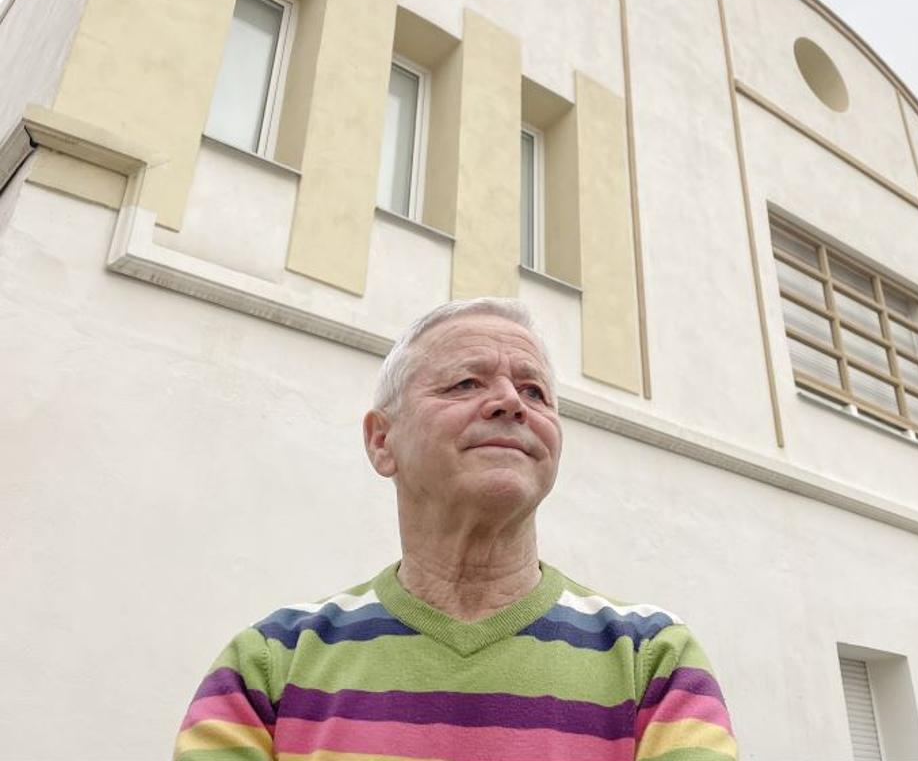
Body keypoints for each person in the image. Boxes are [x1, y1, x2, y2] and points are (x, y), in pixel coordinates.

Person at [173, 297, 738, 761]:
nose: (511, 403)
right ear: (381, 441)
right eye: (467, 382)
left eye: (535, 391)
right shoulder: (267, 665)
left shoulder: (656, 660)